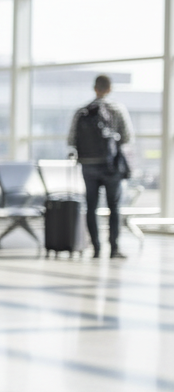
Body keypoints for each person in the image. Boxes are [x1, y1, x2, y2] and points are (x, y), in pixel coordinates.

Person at [68, 74, 134, 259]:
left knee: (91, 206)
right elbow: (127, 137)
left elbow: (71, 139)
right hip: (110, 165)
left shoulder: (82, 111)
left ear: (94, 88)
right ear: (109, 88)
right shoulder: (116, 109)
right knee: (114, 206)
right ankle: (114, 248)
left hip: (88, 165)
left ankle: (96, 248)